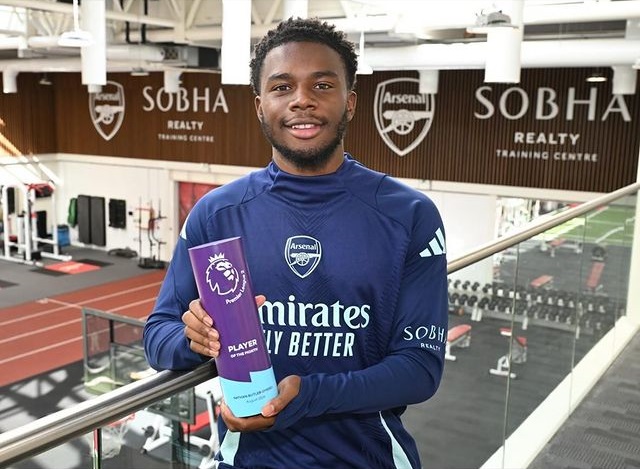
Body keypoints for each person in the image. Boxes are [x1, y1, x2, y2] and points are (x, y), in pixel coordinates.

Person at [144, 17, 449, 469]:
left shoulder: (408, 215)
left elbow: (420, 368)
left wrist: (308, 396)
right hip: (246, 459)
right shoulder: (216, 213)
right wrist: (197, 338)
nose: (302, 100)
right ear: (259, 105)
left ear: (350, 103)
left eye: (322, 85)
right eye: (282, 87)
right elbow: (157, 336)